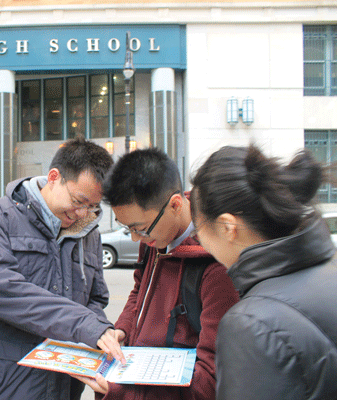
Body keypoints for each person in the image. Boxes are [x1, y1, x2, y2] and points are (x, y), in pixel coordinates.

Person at [75, 148, 240, 400]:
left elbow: (209, 381)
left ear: (175, 204)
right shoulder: (154, 239)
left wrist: (122, 392)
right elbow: (138, 293)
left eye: (139, 228)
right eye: (126, 227)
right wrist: (123, 330)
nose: (134, 238)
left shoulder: (216, 264)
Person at [0, 136, 124, 400]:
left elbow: (95, 299)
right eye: (78, 201)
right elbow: (0, 290)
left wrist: (103, 331)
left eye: (92, 206)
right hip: (8, 382)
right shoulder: (0, 217)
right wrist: (85, 324)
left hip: (65, 383)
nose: (82, 213)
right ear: (54, 177)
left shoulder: (90, 234)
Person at [190, 144, 337, 399]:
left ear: (227, 226)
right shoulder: (327, 268)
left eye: (198, 228)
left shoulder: (251, 324)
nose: (198, 239)